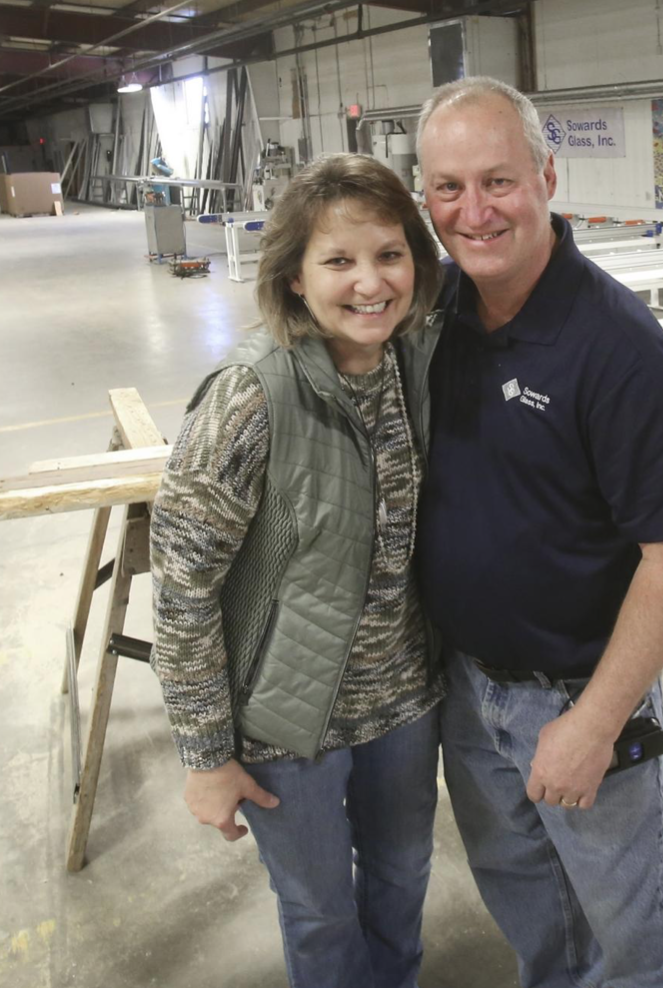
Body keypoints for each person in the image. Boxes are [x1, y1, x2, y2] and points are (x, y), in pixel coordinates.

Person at [416, 77, 663, 988]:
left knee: (640, 941)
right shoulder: (437, 315)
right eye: (448, 188)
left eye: (499, 181)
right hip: (469, 695)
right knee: (534, 916)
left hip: (578, 697)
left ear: (548, 175)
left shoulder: (619, 351)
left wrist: (596, 721)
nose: (474, 212)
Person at [148, 152, 445, 988]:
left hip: (403, 703)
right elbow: (181, 592)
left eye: (390, 255)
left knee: (402, 882)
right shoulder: (249, 398)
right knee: (319, 913)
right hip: (284, 728)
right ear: (292, 280)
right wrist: (206, 757)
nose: (370, 283)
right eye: (338, 261)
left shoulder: (413, 362)